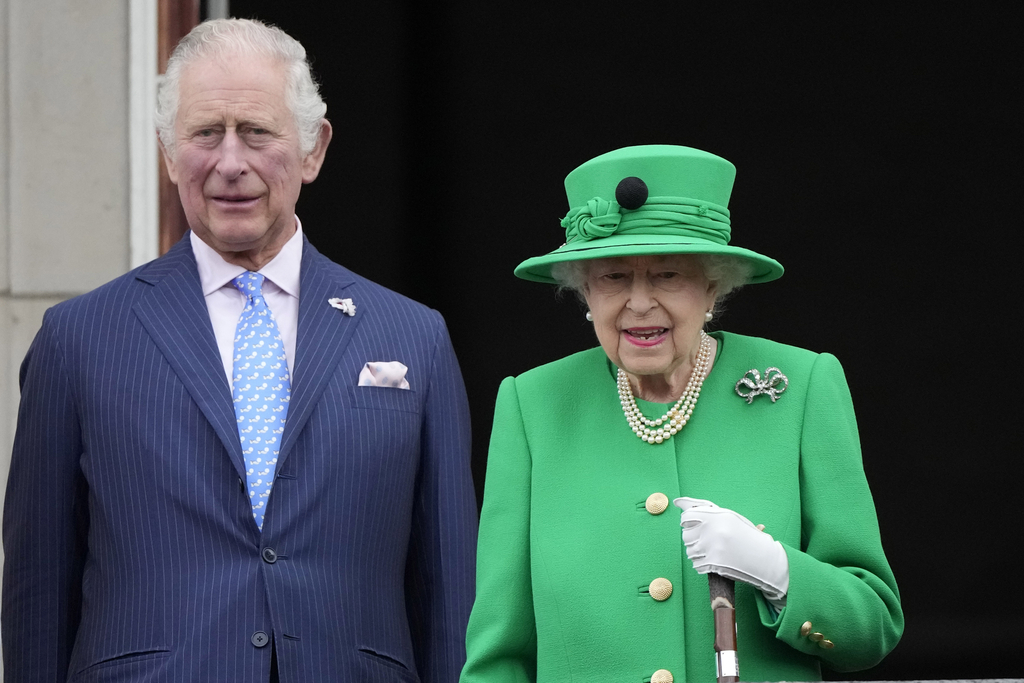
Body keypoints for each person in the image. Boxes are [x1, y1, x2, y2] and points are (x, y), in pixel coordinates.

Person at [2, 18, 476, 682]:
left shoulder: (413, 338)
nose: (230, 162)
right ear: (168, 154)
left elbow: (450, 592)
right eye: (204, 134)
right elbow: (36, 596)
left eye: (257, 131)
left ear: (314, 148)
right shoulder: (77, 339)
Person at [460, 145, 903, 683]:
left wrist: (777, 570)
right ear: (585, 293)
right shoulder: (534, 405)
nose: (639, 303)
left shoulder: (801, 387)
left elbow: (873, 627)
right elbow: (499, 655)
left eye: (668, 275)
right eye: (613, 277)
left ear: (713, 286)